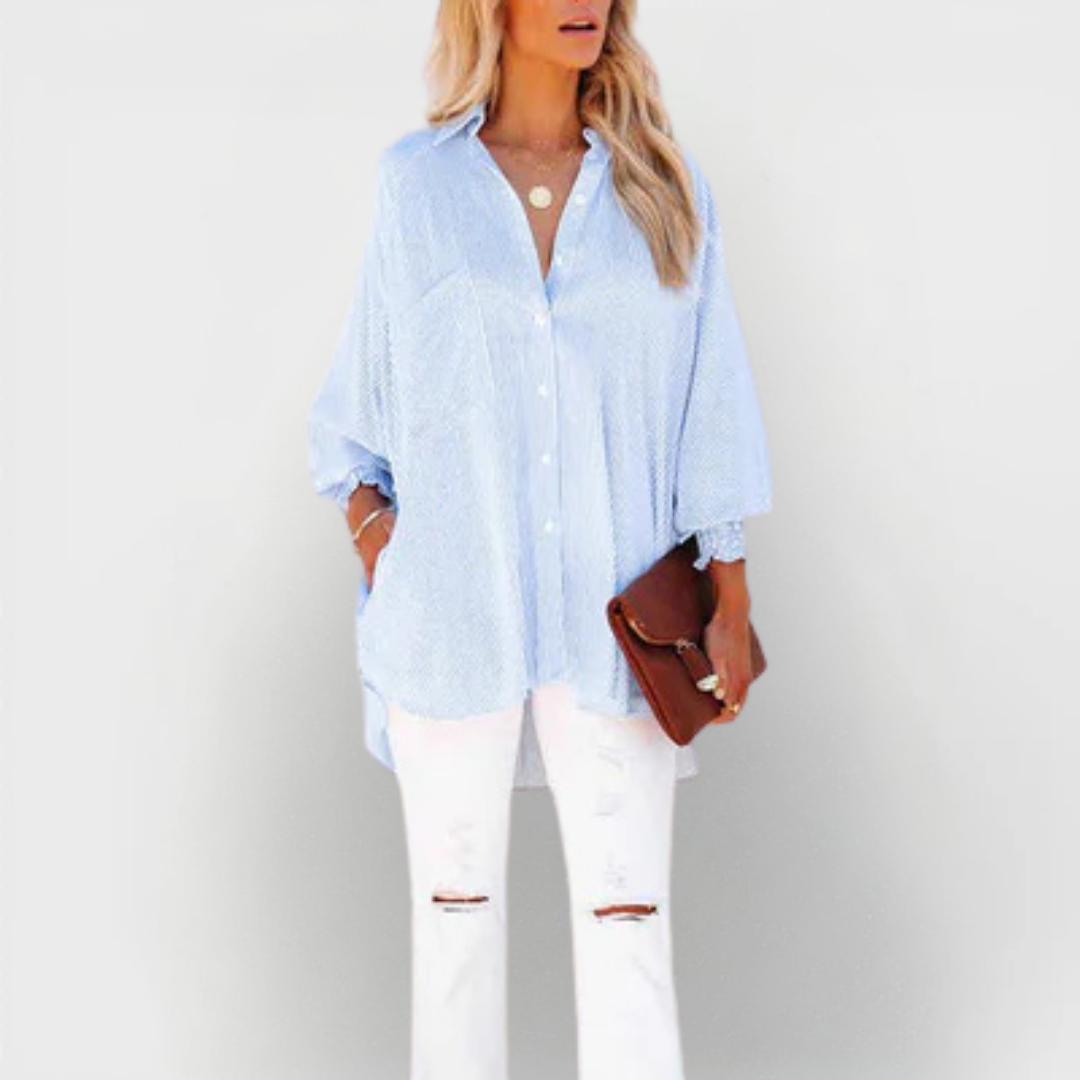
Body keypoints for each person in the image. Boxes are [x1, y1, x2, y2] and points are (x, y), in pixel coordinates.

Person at [307, 1, 773, 1076]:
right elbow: (358, 406)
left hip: (620, 623)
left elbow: (710, 398)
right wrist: (383, 540)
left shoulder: (664, 186)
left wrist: (732, 589)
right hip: (454, 614)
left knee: (629, 927)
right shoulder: (417, 187)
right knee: (454, 929)